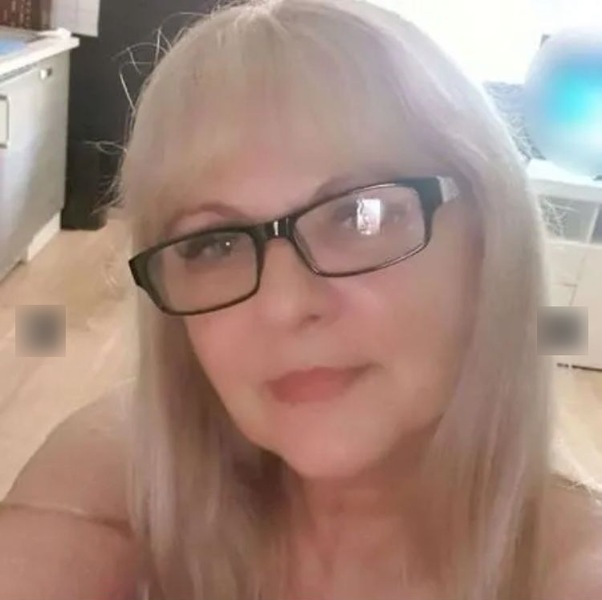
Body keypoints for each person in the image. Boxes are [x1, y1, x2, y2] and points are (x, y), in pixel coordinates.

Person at [1, 0, 601, 599]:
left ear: (490, 240)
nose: (284, 305)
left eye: (360, 214)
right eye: (215, 244)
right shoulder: (121, 483)